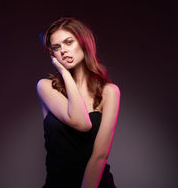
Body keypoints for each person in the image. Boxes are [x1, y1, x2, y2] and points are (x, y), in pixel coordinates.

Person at [37, 16, 120, 188]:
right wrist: (65, 73)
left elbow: (100, 156)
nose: (63, 51)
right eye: (56, 48)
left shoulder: (109, 92)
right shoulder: (46, 87)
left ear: (84, 43)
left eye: (69, 42)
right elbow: (81, 121)